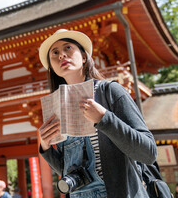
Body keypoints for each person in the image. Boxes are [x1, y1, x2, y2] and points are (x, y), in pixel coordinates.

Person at [38, 29, 157, 197]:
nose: (61, 56)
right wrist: (46, 147)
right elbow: (70, 172)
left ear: (84, 56)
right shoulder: (57, 109)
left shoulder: (111, 92)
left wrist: (105, 119)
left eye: (68, 48)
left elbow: (149, 153)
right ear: (53, 68)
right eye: (55, 53)